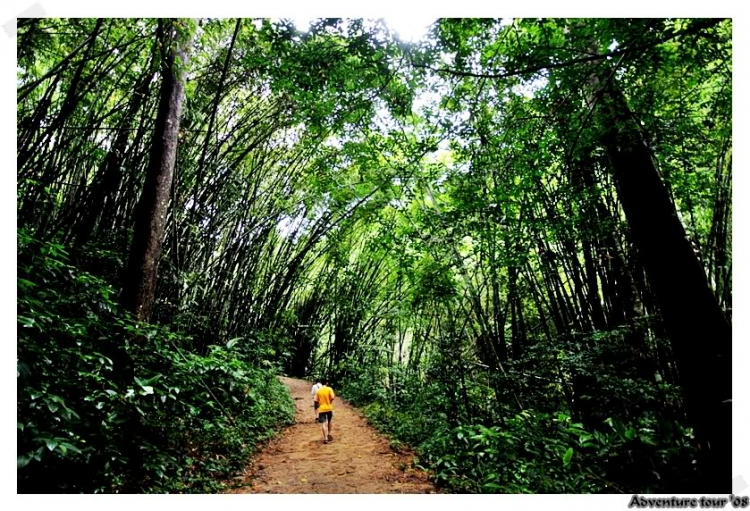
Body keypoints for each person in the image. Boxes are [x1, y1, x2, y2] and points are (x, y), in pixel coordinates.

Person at [314, 380, 335, 444]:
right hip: (329, 408)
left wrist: (317, 407)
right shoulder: (329, 389)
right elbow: (332, 397)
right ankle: (329, 434)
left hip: (322, 409)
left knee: (323, 423)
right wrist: (330, 402)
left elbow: (315, 400)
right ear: (327, 383)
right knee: (330, 420)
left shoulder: (318, 391)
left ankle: (325, 438)